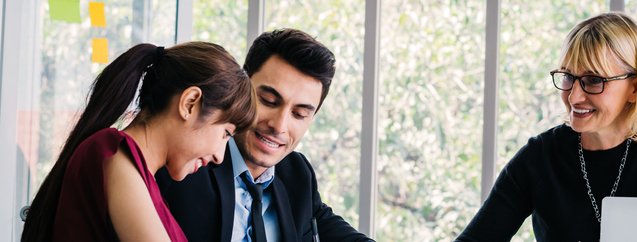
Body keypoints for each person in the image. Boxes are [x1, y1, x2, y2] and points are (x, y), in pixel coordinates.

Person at [456, 12, 637, 242]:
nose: (574, 96)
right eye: (569, 77)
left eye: (593, 80)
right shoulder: (541, 156)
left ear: (634, 88)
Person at [21, 42, 257, 242]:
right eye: (226, 133)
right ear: (190, 104)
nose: (220, 156)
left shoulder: (139, 177)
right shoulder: (114, 153)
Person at [156, 28, 373, 242]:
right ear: (242, 86)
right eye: (269, 101)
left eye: (299, 114)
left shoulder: (297, 175)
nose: (279, 126)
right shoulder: (188, 159)